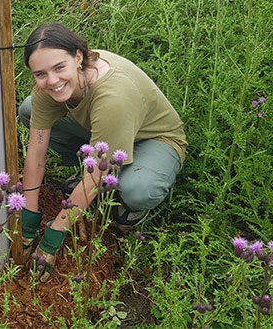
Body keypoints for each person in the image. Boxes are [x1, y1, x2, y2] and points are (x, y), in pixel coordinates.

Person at [18, 23, 187, 281]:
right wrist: (27, 221)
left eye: (59, 68)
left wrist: (54, 234)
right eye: (40, 74)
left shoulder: (112, 98)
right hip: (108, 131)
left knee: (137, 189)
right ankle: (91, 177)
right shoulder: (49, 88)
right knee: (29, 110)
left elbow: (97, 175)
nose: (51, 81)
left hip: (153, 139)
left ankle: (131, 202)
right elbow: (36, 153)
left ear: (78, 57)